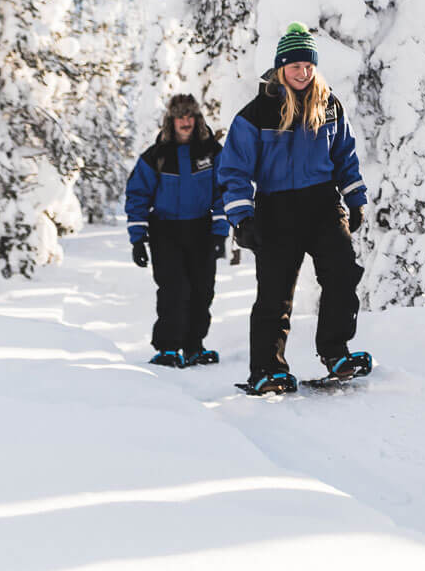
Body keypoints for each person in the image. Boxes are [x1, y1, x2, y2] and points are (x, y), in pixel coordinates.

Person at [219, 23, 371, 395]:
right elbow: (234, 169)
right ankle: (267, 370)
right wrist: (242, 217)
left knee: (342, 276)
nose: (302, 73)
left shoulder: (329, 105)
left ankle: (336, 352)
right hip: (277, 209)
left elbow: (345, 156)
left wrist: (355, 198)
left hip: (322, 204)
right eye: (295, 66)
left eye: (308, 66)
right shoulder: (257, 113)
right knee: (275, 293)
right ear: (280, 68)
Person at [125, 93, 228, 368]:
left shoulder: (212, 153)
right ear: (171, 121)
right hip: (165, 231)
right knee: (174, 289)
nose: (185, 121)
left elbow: (224, 192)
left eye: (190, 116)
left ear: (197, 119)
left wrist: (220, 232)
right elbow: (137, 195)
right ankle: (168, 348)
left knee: (202, 290)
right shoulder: (156, 156)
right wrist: (138, 239)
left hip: (202, 230)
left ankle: (195, 346)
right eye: (180, 116)